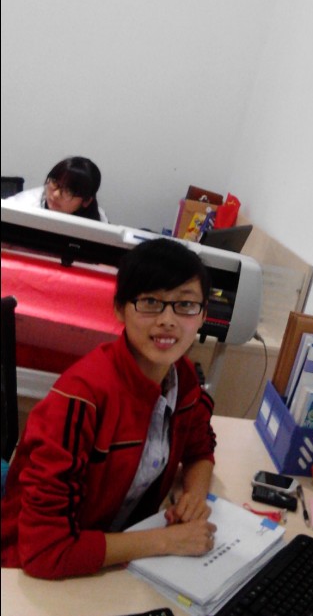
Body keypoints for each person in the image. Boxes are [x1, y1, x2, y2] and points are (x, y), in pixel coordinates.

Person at [1, 238, 217, 579]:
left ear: (203, 314)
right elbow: (44, 552)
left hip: (114, 556)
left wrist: (194, 494)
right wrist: (167, 540)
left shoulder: (183, 377)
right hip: (31, 575)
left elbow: (200, 450)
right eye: (150, 302)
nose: (168, 320)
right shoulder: (81, 400)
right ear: (119, 309)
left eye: (186, 305)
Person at [5, 156, 108, 222]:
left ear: (86, 201)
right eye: (54, 183)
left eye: (68, 191)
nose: (56, 195)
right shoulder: (22, 206)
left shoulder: (98, 222)